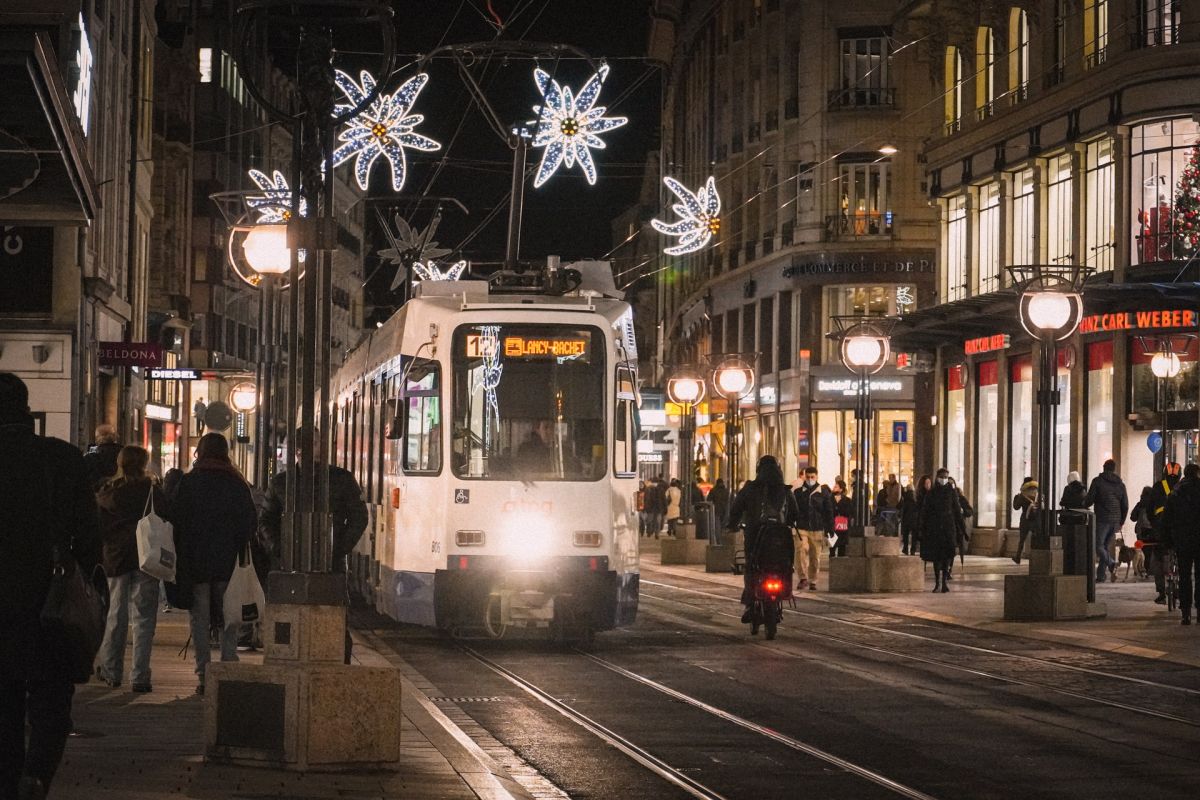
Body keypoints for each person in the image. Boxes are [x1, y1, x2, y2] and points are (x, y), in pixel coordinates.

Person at [0, 373, 101, 800]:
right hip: (49, 601)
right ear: (26, 408)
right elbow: (90, 540)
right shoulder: (62, 458)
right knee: (50, 699)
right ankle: (38, 775)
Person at [260, 430, 368, 662]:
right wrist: (279, 548)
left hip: (319, 560)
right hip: (300, 561)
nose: (313, 449)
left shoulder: (288, 482)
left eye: (317, 443)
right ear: (297, 450)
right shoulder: (284, 482)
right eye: (307, 444)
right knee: (325, 618)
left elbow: (265, 520)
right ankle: (331, 664)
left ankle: (334, 665)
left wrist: (338, 548)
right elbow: (265, 520)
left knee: (333, 619)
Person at [166, 433, 257, 695]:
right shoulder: (237, 484)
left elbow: (176, 521)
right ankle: (228, 665)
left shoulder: (189, 483)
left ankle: (204, 675)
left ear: (200, 452)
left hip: (195, 563)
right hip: (228, 562)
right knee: (230, 615)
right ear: (225, 452)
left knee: (200, 618)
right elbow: (249, 523)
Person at [94, 446, 165, 693]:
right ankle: (140, 675)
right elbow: (168, 518)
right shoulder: (153, 491)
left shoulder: (108, 492)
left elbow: (99, 527)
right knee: (144, 617)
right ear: (145, 463)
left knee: (116, 612)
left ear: (120, 463)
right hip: (147, 556)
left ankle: (112, 670)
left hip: (116, 557)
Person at [725, 455, 799, 622]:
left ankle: (751, 603)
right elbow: (795, 514)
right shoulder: (785, 491)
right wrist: (789, 523)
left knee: (752, 567)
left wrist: (732, 525)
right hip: (781, 537)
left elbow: (736, 509)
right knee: (786, 565)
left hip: (755, 535)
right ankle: (785, 591)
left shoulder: (750, 488)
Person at [1161, 463, 1200, 625]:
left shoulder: (1176, 493)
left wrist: (1168, 541)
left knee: (1184, 575)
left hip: (1182, 540)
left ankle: (1185, 613)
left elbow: (1166, 519)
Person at [1084, 459, 1129, 584]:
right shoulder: (1120, 484)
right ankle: (1101, 576)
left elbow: (1089, 500)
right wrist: (1121, 521)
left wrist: (1083, 504)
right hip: (1115, 521)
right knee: (1105, 547)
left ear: (1104, 468)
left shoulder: (1097, 482)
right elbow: (1125, 505)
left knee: (1098, 545)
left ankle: (1111, 563)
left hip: (1102, 519)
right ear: (1114, 469)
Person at [920, 468, 964, 592]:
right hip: (935, 529)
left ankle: (944, 582)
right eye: (942, 477)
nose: (944, 479)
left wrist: (961, 527)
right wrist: (923, 527)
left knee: (946, 556)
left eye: (946, 477)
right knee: (936, 557)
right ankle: (937, 582)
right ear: (937, 477)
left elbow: (956, 510)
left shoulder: (951, 492)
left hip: (948, 529)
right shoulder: (932, 493)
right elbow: (925, 511)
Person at [1145, 462, 1182, 603]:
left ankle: (1161, 593)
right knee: (1181, 558)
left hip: (1160, 529)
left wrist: (1153, 523)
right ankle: (1180, 587)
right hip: (1179, 529)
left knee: (1158, 560)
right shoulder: (1182, 487)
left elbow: (1149, 509)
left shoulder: (1158, 487)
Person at [793, 467, 833, 590]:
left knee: (815, 556)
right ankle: (803, 578)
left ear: (816, 477)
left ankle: (813, 580)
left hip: (817, 528)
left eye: (812, 477)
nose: (810, 479)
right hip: (802, 527)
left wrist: (829, 528)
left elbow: (828, 511)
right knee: (801, 550)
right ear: (805, 476)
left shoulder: (823, 493)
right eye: (808, 477)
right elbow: (794, 509)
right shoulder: (798, 492)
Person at [82, 423, 122, 491]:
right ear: (115, 437)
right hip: (119, 491)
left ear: (98, 438)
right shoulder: (123, 453)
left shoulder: (90, 457)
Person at [1011, 477, 1040, 565]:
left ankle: (1018, 557)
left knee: (1022, 539)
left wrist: (1016, 498)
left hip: (1025, 519)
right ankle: (1036, 557)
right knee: (1036, 538)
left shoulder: (1022, 495)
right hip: (1035, 519)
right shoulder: (1038, 494)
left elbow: (1016, 507)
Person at [829, 478, 854, 557]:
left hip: (842, 525)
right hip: (833, 525)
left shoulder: (847, 500)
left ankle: (840, 563)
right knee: (832, 547)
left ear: (841, 489)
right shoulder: (829, 499)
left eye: (836, 487)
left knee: (842, 547)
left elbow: (849, 512)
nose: (833, 488)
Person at [899, 480, 920, 556]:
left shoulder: (904, 497)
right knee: (914, 535)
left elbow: (900, 506)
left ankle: (905, 548)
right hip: (914, 519)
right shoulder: (916, 497)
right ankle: (913, 550)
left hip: (906, 518)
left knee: (906, 535)